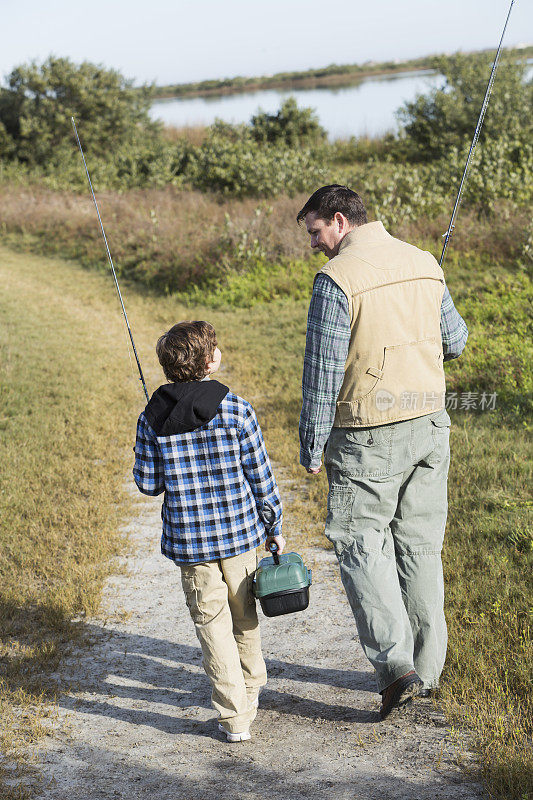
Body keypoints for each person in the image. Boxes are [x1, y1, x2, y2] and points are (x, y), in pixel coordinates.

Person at [297, 185, 468, 720]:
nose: (315, 245)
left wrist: (311, 443)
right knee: (419, 545)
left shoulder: (335, 281)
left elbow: (323, 374)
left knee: (360, 541)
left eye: (316, 232)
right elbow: (456, 340)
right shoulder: (424, 262)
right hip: (430, 424)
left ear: (340, 221)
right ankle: (429, 669)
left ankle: (397, 669)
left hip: (368, 430)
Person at [133, 320, 285, 741]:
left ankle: (235, 717)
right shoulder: (236, 408)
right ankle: (251, 689)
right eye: (215, 348)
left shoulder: (153, 418)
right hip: (240, 538)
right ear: (209, 361)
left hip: (191, 545)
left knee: (211, 625)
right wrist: (273, 524)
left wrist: (155, 441)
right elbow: (260, 475)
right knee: (244, 616)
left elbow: (148, 483)